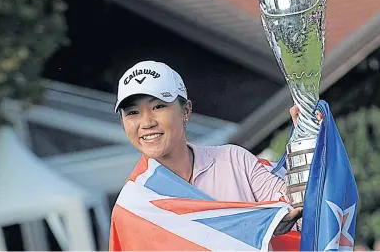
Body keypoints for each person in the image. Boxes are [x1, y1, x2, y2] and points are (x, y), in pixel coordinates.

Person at [114, 60, 305, 235]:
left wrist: (306, 142)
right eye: (132, 112)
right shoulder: (133, 206)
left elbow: (302, 213)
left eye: (158, 107)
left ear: (186, 110)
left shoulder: (233, 162)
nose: (146, 122)